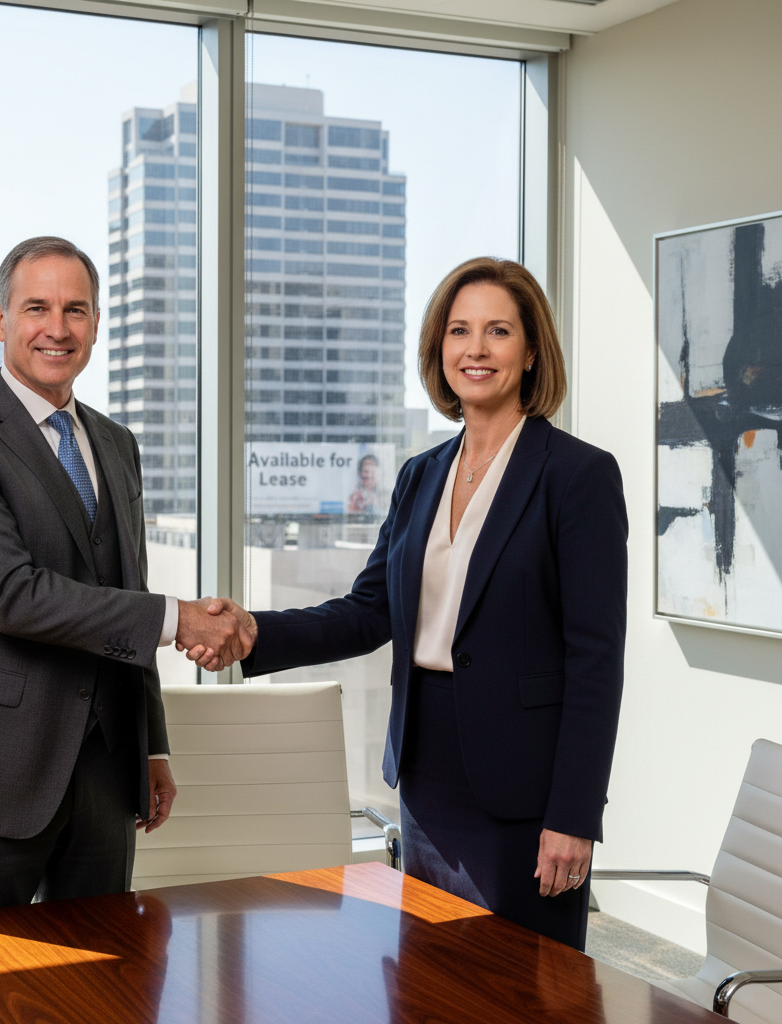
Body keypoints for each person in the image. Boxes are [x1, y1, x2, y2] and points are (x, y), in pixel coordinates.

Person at [189, 257, 627, 950]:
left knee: (523, 991)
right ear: (438, 348)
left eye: (498, 331)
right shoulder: (420, 475)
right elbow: (369, 612)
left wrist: (574, 815)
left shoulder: (577, 476)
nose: (475, 349)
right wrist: (251, 633)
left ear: (532, 349)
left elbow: (595, 662)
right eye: (458, 330)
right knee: (430, 978)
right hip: (427, 774)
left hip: (523, 787)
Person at [0, 236, 250, 915]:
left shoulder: (117, 443)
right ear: (0, 320)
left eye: (76, 310)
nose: (57, 329)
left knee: (106, 984)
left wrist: (149, 746)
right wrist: (183, 620)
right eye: (36, 308)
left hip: (103, 772)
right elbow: (14, 597)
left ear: (95, 324)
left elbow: (127, 587)